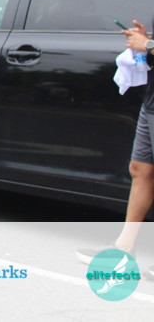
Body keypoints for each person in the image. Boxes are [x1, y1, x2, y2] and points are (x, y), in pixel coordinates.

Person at [77, 17, 154, 273]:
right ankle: (124, 247)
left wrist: (149, 44)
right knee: (140, 168)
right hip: (151, 102)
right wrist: (143, 41)